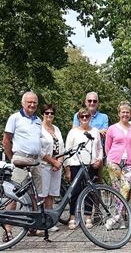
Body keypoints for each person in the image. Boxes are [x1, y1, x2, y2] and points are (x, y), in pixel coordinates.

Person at [2, 91, 42, 241]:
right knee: (14, 195)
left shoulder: (38, 120)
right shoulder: (15, 118)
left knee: (35, 195)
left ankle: (32, 226)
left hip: (35, 160)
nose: (32, 105)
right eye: (29, 102)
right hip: (20, 159)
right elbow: (6, 140)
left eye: (35, 103)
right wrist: (13, 158)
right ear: (22, 103)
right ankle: (8, 231)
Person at [64, 108, 103, 230]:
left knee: (90, 191)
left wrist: (99, 159)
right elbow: (67, 151)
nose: (85, 118)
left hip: (91, 165)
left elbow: (99, 148)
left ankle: (87, 216)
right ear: (79, 118)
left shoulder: (95, 131)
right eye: (82, 116)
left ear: (90, 117)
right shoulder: (73, 132)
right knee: (75, 191)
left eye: (87, 116)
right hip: (76, 165)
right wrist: (67, 169)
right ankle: (72, 217)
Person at [105, 101, 131, 230]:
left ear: (130, 114)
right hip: (114, 162)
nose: (125, 114)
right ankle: (121, 219)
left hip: (129, 163)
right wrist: (112, 159)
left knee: (125, 190)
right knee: (116, 191)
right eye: (123, 112)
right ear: (119, 113)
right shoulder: (112, 128)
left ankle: (115, 218)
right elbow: (107, 147)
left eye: (127, 112)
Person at [39, 104, 65, 232]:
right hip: (44, 165)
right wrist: (52, 162)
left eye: (51, 113)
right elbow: (39, 150)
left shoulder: (57, 129)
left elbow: (62, 147)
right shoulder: (39, 129)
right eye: (46, 113)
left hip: (56, 166)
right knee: (42, 194)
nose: (49, 115)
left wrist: (59, 161)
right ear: (42, 114)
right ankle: (41, 221)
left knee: (51, 194)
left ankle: (49, 221)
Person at [72, 91, 108, 182]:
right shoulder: (77, 115)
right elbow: (74, 131)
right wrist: (97, 131)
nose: (92, 103)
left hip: (96, 155)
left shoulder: (104, 117)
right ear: (85, 102)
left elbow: (104, 134)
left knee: (96, 184)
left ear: (98, 103)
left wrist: (86, 130)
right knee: (80, 184)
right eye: (89, 100)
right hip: (80, 155)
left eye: (95, 101)